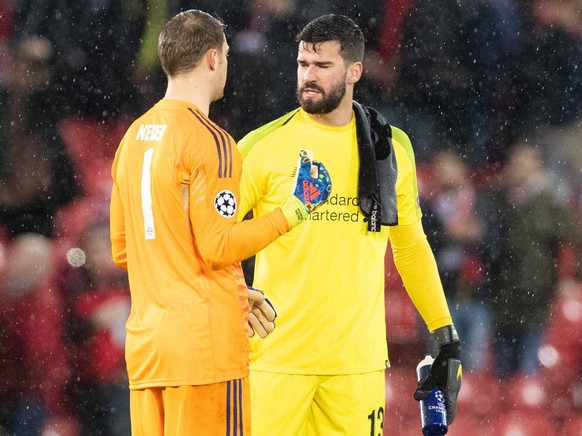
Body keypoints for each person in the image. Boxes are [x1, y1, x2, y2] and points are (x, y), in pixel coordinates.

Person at [109, 9, 331, 435]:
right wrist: (296, 210)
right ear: (213, 58)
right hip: (205, 353)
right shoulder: (212, 141)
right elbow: (217, 246)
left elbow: (124, 249)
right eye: (226, 54)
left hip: (148, 351)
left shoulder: (132, 137)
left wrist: (232, 291)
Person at [238, 14, 461, 435]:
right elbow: (215, 238)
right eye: (303, 64)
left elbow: (410, 247)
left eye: (322, 66)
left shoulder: (390, 148)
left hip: (356, 369)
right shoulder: (260, 146)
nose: (308, 76)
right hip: (276, 363)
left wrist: (446, 337)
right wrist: (234, 291)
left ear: (354, 71)